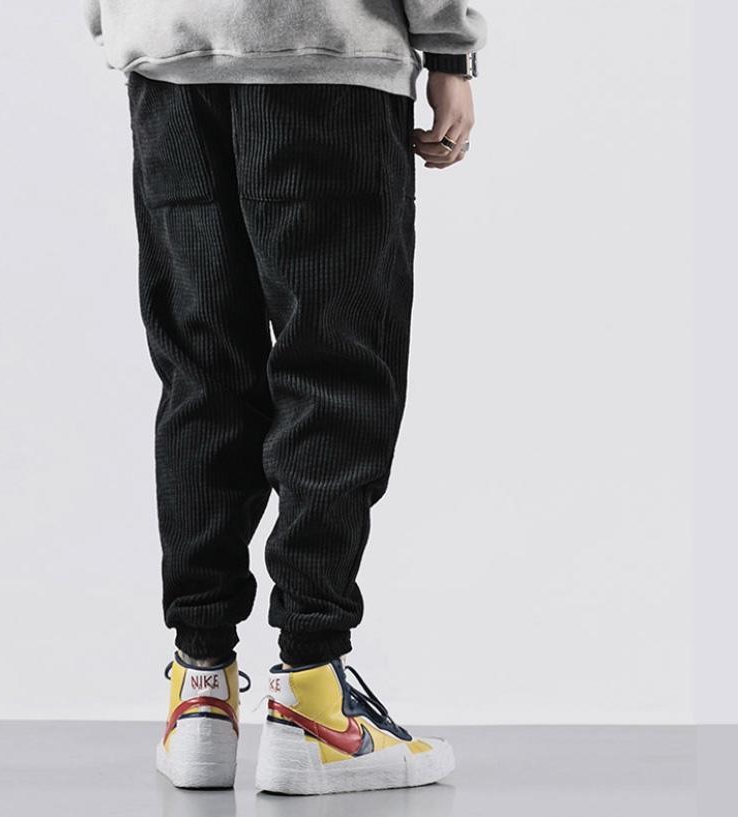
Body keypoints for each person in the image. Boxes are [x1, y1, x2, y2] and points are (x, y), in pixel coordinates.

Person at [84, 0, 486, 796]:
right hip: (322, 53)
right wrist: (450, 51)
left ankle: (199, 687)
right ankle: (313, 696)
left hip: (168, 52)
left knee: (203, 372)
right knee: (334, 371)